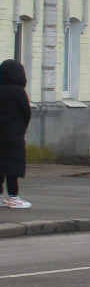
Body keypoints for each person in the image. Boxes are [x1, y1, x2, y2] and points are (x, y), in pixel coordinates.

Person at [0, 59, 32, 209]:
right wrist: (21, 129)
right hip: (14, 135)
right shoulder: (19, 92)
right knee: (13, 167)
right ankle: (13, 197)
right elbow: (26, 113)